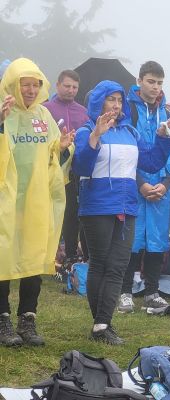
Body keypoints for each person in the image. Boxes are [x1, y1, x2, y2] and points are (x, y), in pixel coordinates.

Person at [72, 80, 170, 345]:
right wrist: (95, 136)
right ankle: (100, 323)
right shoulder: (86, 131)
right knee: (100, 264)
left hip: (127, 207)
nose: (116, 105)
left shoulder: (130, 132)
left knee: (118, 266)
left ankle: (103, 324)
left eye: (119, 100)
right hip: (97, 207)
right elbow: (81, 167)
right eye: (111, 100)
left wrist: (163, 138)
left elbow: (151, 162)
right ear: (99, 103)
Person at [0, 58, 72, 346]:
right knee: (3, 257)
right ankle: (2, 320)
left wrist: (63, 147)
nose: (30, 90)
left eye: (35, 84)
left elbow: (53, 154)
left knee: (33, 256)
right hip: (7, 198)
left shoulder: (44, 116)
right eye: (24, 84)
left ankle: (27, 319)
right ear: (13, 84)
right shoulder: (5, 112)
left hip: (36, 200)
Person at [118, 61, 170, 312]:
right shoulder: (128, 111)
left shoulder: (168, 113)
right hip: (134, 185)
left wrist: (166, 183)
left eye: (159, 83)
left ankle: (152, 292)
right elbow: (125, 146)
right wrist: (141, 182)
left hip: (161, 188)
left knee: (157, 239)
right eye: (151, 81)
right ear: (139, 81)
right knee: (132, 239)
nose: (156, 87)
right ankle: (125, 291)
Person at [43, 70, 90, 266]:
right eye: (67, 86)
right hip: (50, 170)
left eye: (75, 87)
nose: (71, 90)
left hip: (75, 171)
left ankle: (70, 254)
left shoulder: (83, 112)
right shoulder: (45, 109)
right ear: (57, 85)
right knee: (49, 213)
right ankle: (46, 254)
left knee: (72, 214)